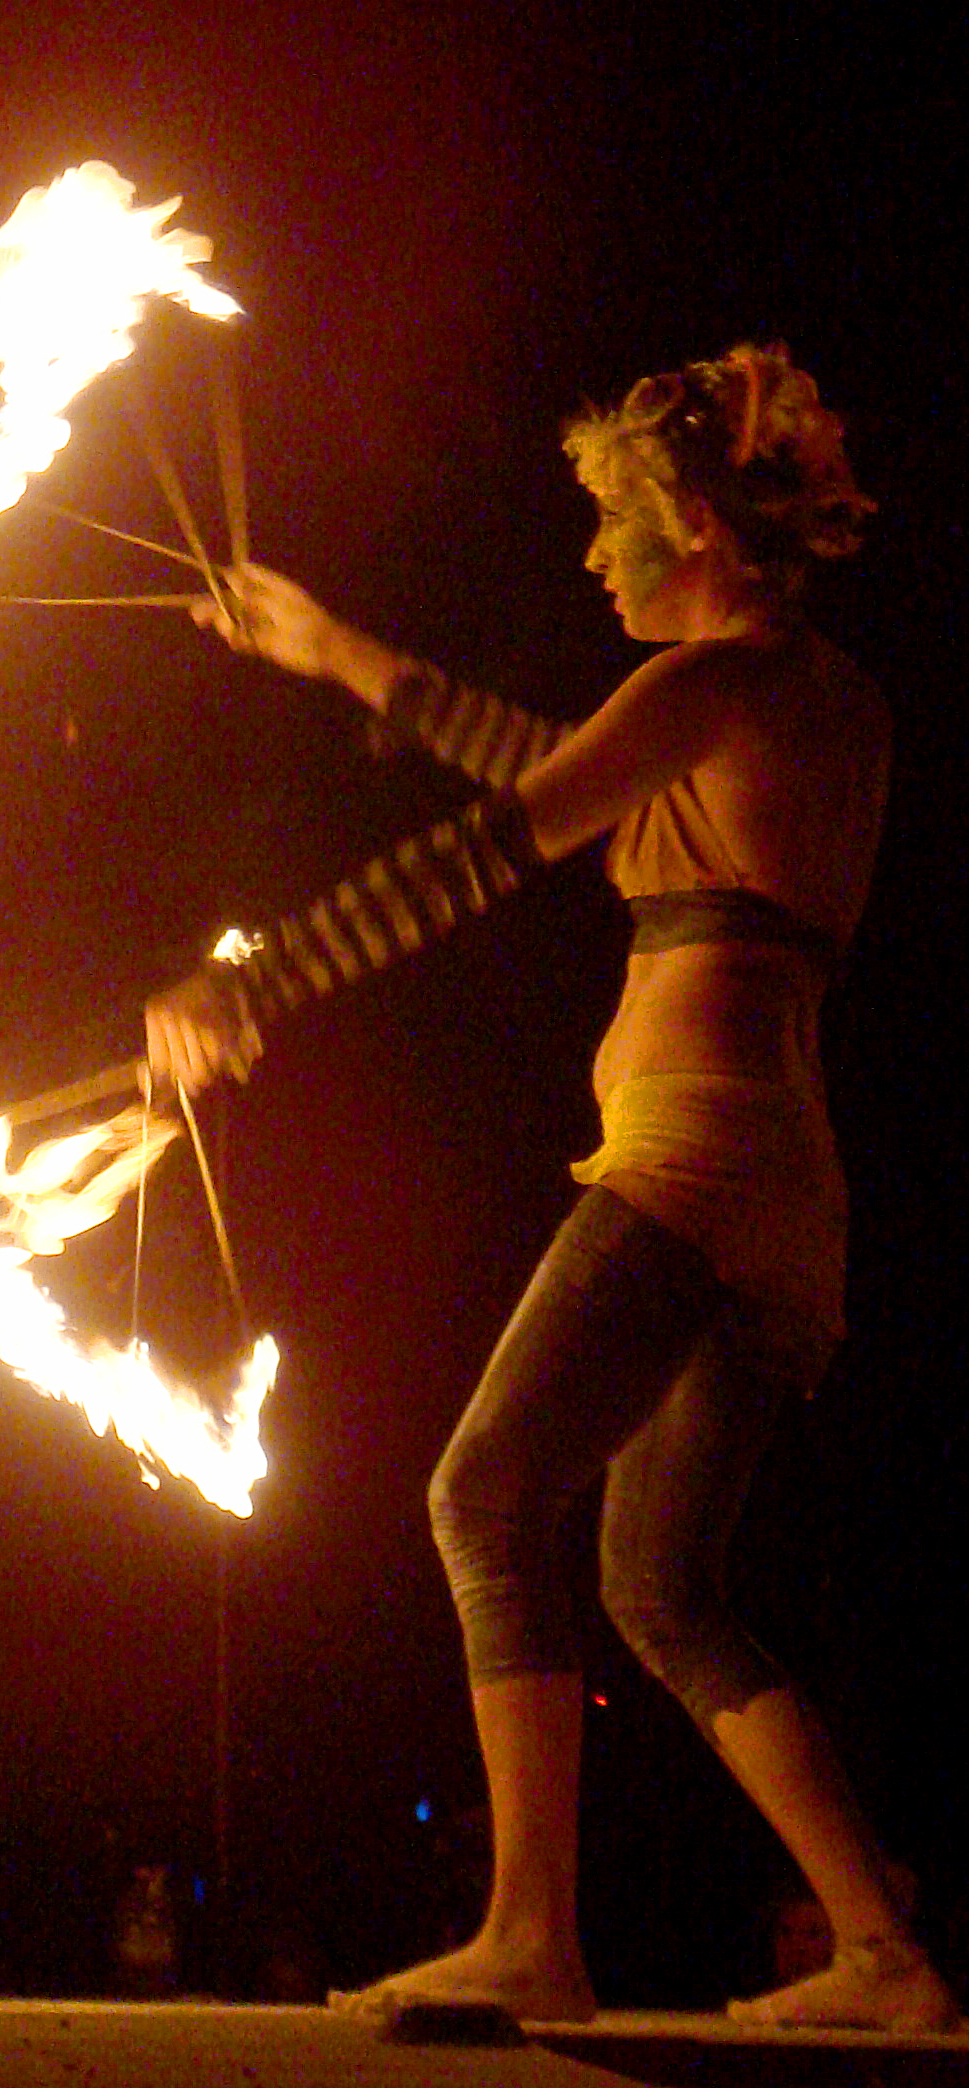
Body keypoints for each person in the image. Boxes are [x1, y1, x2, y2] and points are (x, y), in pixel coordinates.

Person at [145, 344, 956, 2035]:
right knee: (658, 1581)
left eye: (611, 527)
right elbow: (565, 762)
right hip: (789, 1193)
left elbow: (492, 845)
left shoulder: (710, 689)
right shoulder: (817, 704)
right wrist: (333, 651)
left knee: (481, 1495)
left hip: (691, 1158)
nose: (593, 560)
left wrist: (253, 983)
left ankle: (530, 1932)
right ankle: (883, 1950)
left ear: (696, 532)